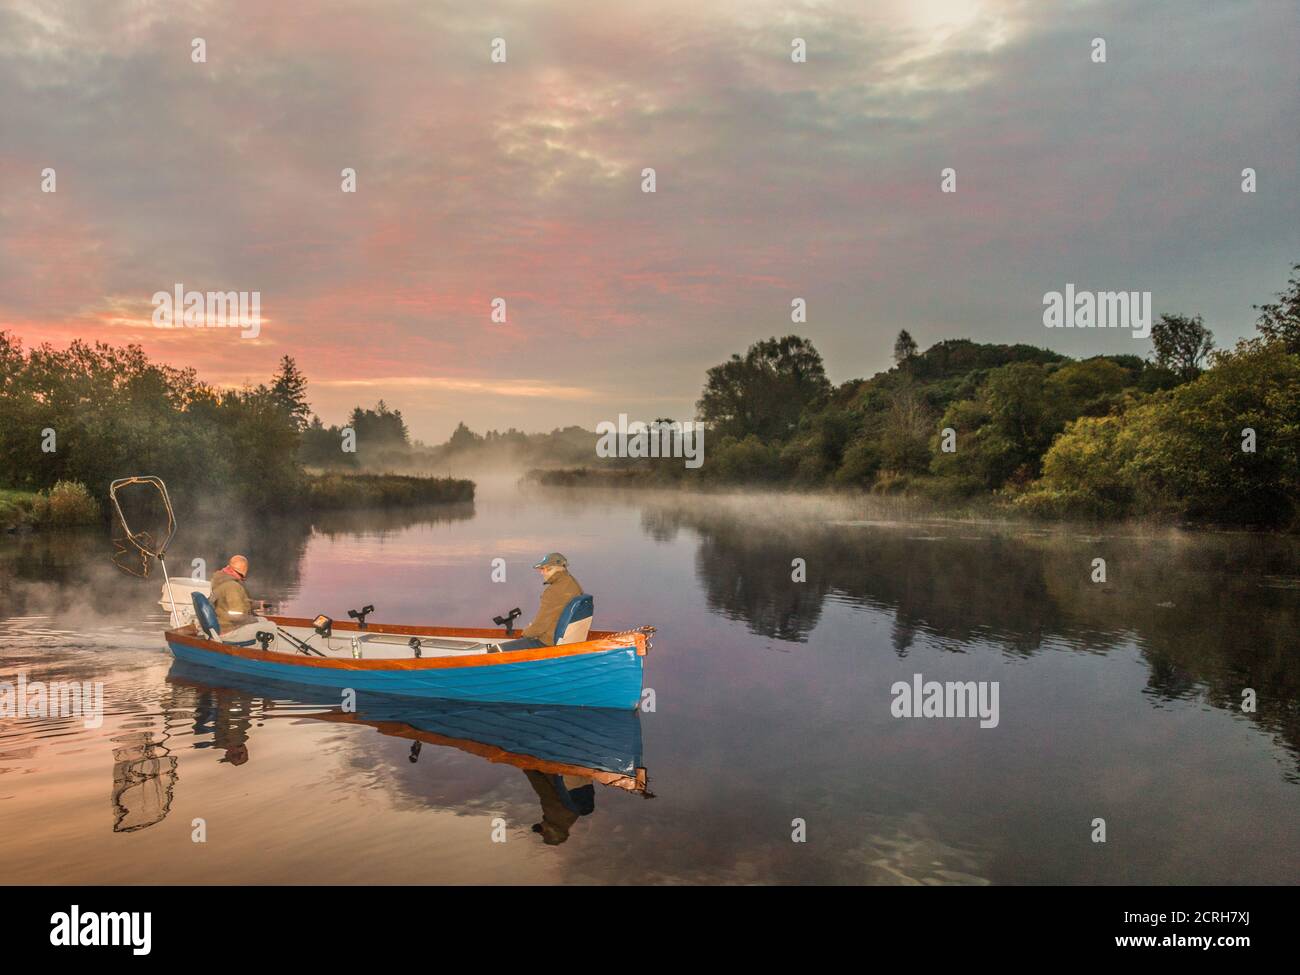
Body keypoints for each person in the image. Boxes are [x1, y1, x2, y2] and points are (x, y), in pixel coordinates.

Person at [498, 553, 583, 651]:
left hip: (548, 643)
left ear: (553, 568)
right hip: (565, 639)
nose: (541, 573)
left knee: (496, 650)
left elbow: (540, 626)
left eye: (544, 569)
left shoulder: (554, 591)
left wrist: (525, 634)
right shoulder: (572, 583)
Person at [209, 555, 264, 632]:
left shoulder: (221, 580)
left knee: (262, 621)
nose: (242, 578)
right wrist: (253, 619)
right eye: (242, 575)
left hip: (222, 623)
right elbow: (236, 616)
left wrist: (257, 604)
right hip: (230, 628)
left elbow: (235, 603)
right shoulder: (232, 587)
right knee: (269, 626)